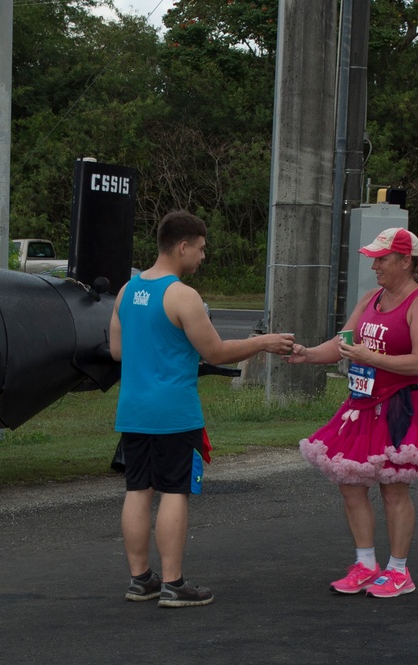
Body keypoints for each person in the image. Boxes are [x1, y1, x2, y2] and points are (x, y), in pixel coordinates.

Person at [109, 210, 294, 608]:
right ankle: (174, 584)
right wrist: (262, 342)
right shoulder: (182, 296)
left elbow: (118, 350)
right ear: (182, 246)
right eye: (201, 248)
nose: (203, 257)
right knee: (175, 490)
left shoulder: (127, 291)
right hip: (174, 411)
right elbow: (215, 351)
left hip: (134, 409)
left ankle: (141, 580)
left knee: (137, 490)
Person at [286, 227, 418, 598]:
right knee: (350, 483)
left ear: (405, 262)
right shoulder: (372, 297)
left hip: (403, 406)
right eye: (373, 259)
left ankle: (399, 571)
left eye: (382, 259)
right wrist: (307, 354)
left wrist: (370, 357)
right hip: (363, 404)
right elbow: (344, 344)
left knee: (393, 488)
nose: (374, 266)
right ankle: (366, 564)